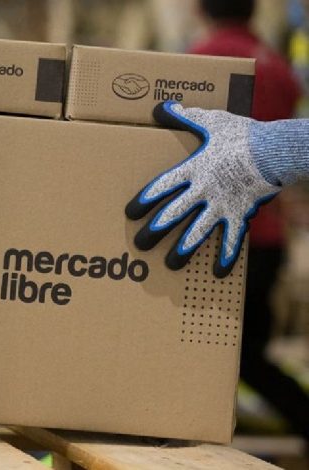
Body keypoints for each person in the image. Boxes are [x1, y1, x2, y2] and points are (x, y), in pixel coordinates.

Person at [128, 0, 309, 443]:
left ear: (199, 10)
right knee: (246, 354)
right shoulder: (278, 67)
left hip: (205, 233)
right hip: (265, 236)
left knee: (199, 349)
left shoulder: (197, 64)